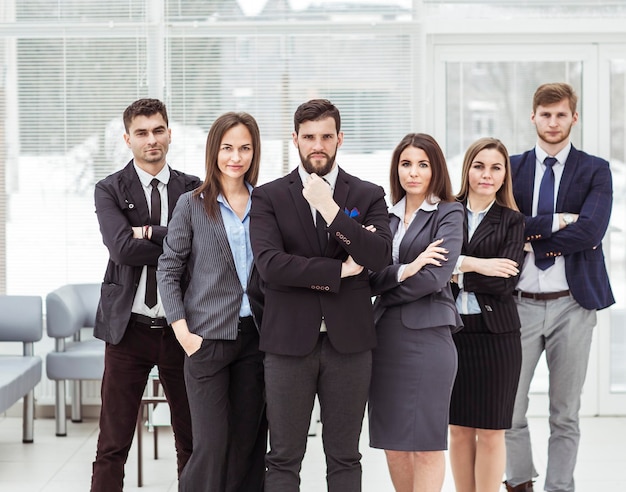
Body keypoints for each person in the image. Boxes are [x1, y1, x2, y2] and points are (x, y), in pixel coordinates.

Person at [249, 98, 393, 491]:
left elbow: (378, 256)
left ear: (339, 139)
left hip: (350, 346)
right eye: (309, 136)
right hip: (287, 345)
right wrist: (339, 271)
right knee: (282, 457)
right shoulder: (268, 197)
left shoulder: (367, 195)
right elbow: (270, 266)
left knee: (345, 456)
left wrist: (330, 210)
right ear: (294, 139)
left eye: (326, 136)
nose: (318, 144)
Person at [504, 83, 614, 492]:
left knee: (565, 412)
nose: (553, 122)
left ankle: (559, 487)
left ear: (574, 118)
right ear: (533, 116)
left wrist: (532, 239)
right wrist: (556, 223)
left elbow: (591, 231)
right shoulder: (511, 168)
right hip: (518, 304)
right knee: (510, 409)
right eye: (545, 114)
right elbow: (503, 229)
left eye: (561, 115)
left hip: (574, 304)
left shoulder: (595, 169)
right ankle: (518, 481)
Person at [91, 98, 200, 491]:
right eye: (141, 132)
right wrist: (177, 242)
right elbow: (121, 249)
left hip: (181, 330)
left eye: (158, 130)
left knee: (192, 442)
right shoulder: (109, 189)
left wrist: (149, 233)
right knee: (112, 444)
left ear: (169, 133)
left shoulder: (195, 188)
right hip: (127, 332)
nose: (150, 140)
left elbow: (202, 249)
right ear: (127, 139)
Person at [157, 112, 267, 492]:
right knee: (211, 445)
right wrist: (183, 334)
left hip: (255, 338)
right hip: (206, 340)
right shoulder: (191, 204)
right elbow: (168, 270)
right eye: (227, 147)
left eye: (244, 148)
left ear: (255, 152)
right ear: (214, 151)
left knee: (249, 445)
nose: (235, 157)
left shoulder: (266, 203)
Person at [368, 133, 463, 492]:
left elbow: (435, 277)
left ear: (435, 168)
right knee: (392, 446)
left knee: (425, 444)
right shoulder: (385, 217)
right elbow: (369, 278)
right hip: (384, 339)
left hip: (428, 338)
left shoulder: (448, 213)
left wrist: (388, 287)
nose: (413, 172)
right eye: (406, 164)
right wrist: (405, 270)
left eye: (422, 164)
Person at [448, 137, 525, 492]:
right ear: (467, 169)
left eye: (496, 167)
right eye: (479, 166)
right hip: (451, 332)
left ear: (504, 173)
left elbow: (505, 283)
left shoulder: (511, 220)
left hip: (497, 337)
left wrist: (457, 272)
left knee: (493, 431)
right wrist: (483, 269)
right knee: (459, 429)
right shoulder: (446, 211)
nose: (487, 174)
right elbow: (433, 268)